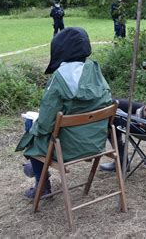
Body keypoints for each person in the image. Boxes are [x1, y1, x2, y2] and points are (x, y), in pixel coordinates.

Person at [15, 27, 113, 198]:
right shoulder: (94, 70)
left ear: (60, 49)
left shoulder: (60, 77)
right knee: (43, 127)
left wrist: (36, 123)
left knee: (32, 125)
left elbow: (45, 125)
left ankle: (41, 182)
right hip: (95, 143)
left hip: (67, 149)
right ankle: (36, 168)